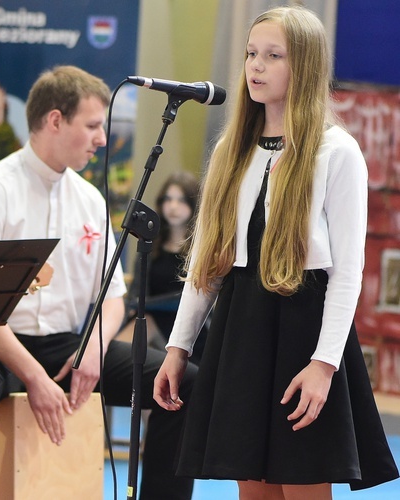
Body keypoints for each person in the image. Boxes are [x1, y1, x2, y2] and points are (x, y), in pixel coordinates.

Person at [153, 6, 399, 499]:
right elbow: (207, 266)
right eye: (250, 54)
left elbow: (348, 271)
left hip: (305, 331)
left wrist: (324, 364)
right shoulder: (232, 150)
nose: (256, 66)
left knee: (304, 481)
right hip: (241, 330)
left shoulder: (337, 151)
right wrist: (177, 349)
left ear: (303, 66)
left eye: (273, 56)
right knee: (252, 486)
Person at [0, 65, 196, 500]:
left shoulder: (90, 199)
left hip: (68, 346)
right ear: (55, 121)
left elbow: (114, 297)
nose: (103, 139)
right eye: (93, 125)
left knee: (183, 382)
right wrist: (34, 376)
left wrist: (95, 352)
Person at [125, 171, 207, 365]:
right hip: (149, 318)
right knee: (142, 320)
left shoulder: (201, 248)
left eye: (181, 200)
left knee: (148, 319)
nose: (173, 207)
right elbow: (137, 291)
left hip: (191, 326)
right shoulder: (151, 245)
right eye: (168, 199)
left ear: (193, 204)